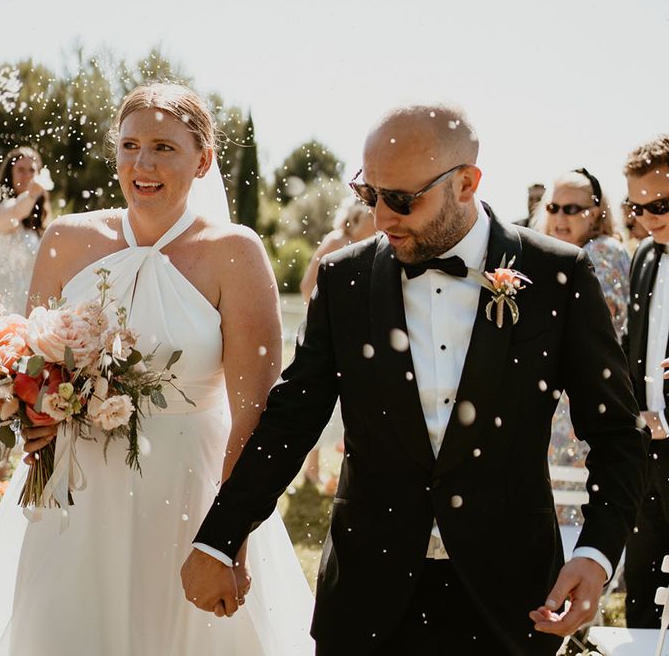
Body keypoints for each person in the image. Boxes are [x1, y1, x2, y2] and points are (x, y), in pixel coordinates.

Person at [181, 103, 649, 655]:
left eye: (402, 200)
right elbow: (292, 418)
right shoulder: (344, 280)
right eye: (369, 194)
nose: (381, 218)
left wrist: (595, 555)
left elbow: (618, 433)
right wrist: (219, 538)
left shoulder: (558, 276)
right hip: (367, 600)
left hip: (511, 599)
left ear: (467, 184)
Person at [0, 83, 314, 656]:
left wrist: (226, 539)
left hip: (189, 495)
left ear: (204, 159)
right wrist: (32, 418)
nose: (143, 164)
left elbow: (254, 413)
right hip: (75, 498)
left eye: (164, 147)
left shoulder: (235, 253)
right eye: (130, 145)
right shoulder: (67, 240)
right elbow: (29, 366)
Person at [533, 170, 632, 521]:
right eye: (554, 206)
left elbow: (593, 335)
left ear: (596, 211)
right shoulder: (557, 257)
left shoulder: (602, 254)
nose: (560, 218)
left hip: (580, 419)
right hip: (556, 420)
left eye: (572, 209)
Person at [621, 134, 669, 628]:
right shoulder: (644, 258)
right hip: (647, 450)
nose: (649, 216)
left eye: (661, 203)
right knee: (643, 582)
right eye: (638, 208)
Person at [299, 197, 375, 486]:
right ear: (356, 218)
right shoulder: (337, 241)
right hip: (330, 335)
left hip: (360, 337)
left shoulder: (375, 249)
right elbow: (308, 286)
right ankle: (313, 468)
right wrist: (326, 320)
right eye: (371, 215)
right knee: (322, 401)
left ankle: (347, 471)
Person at [0, 147, 52, 314]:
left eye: (32, 170)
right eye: (20, 170)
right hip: (1, 305)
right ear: (10, 174)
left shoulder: (37, 222)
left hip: (30, 304)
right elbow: (16, 212)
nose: (27, 175)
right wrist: (31, 195)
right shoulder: (2, 209)